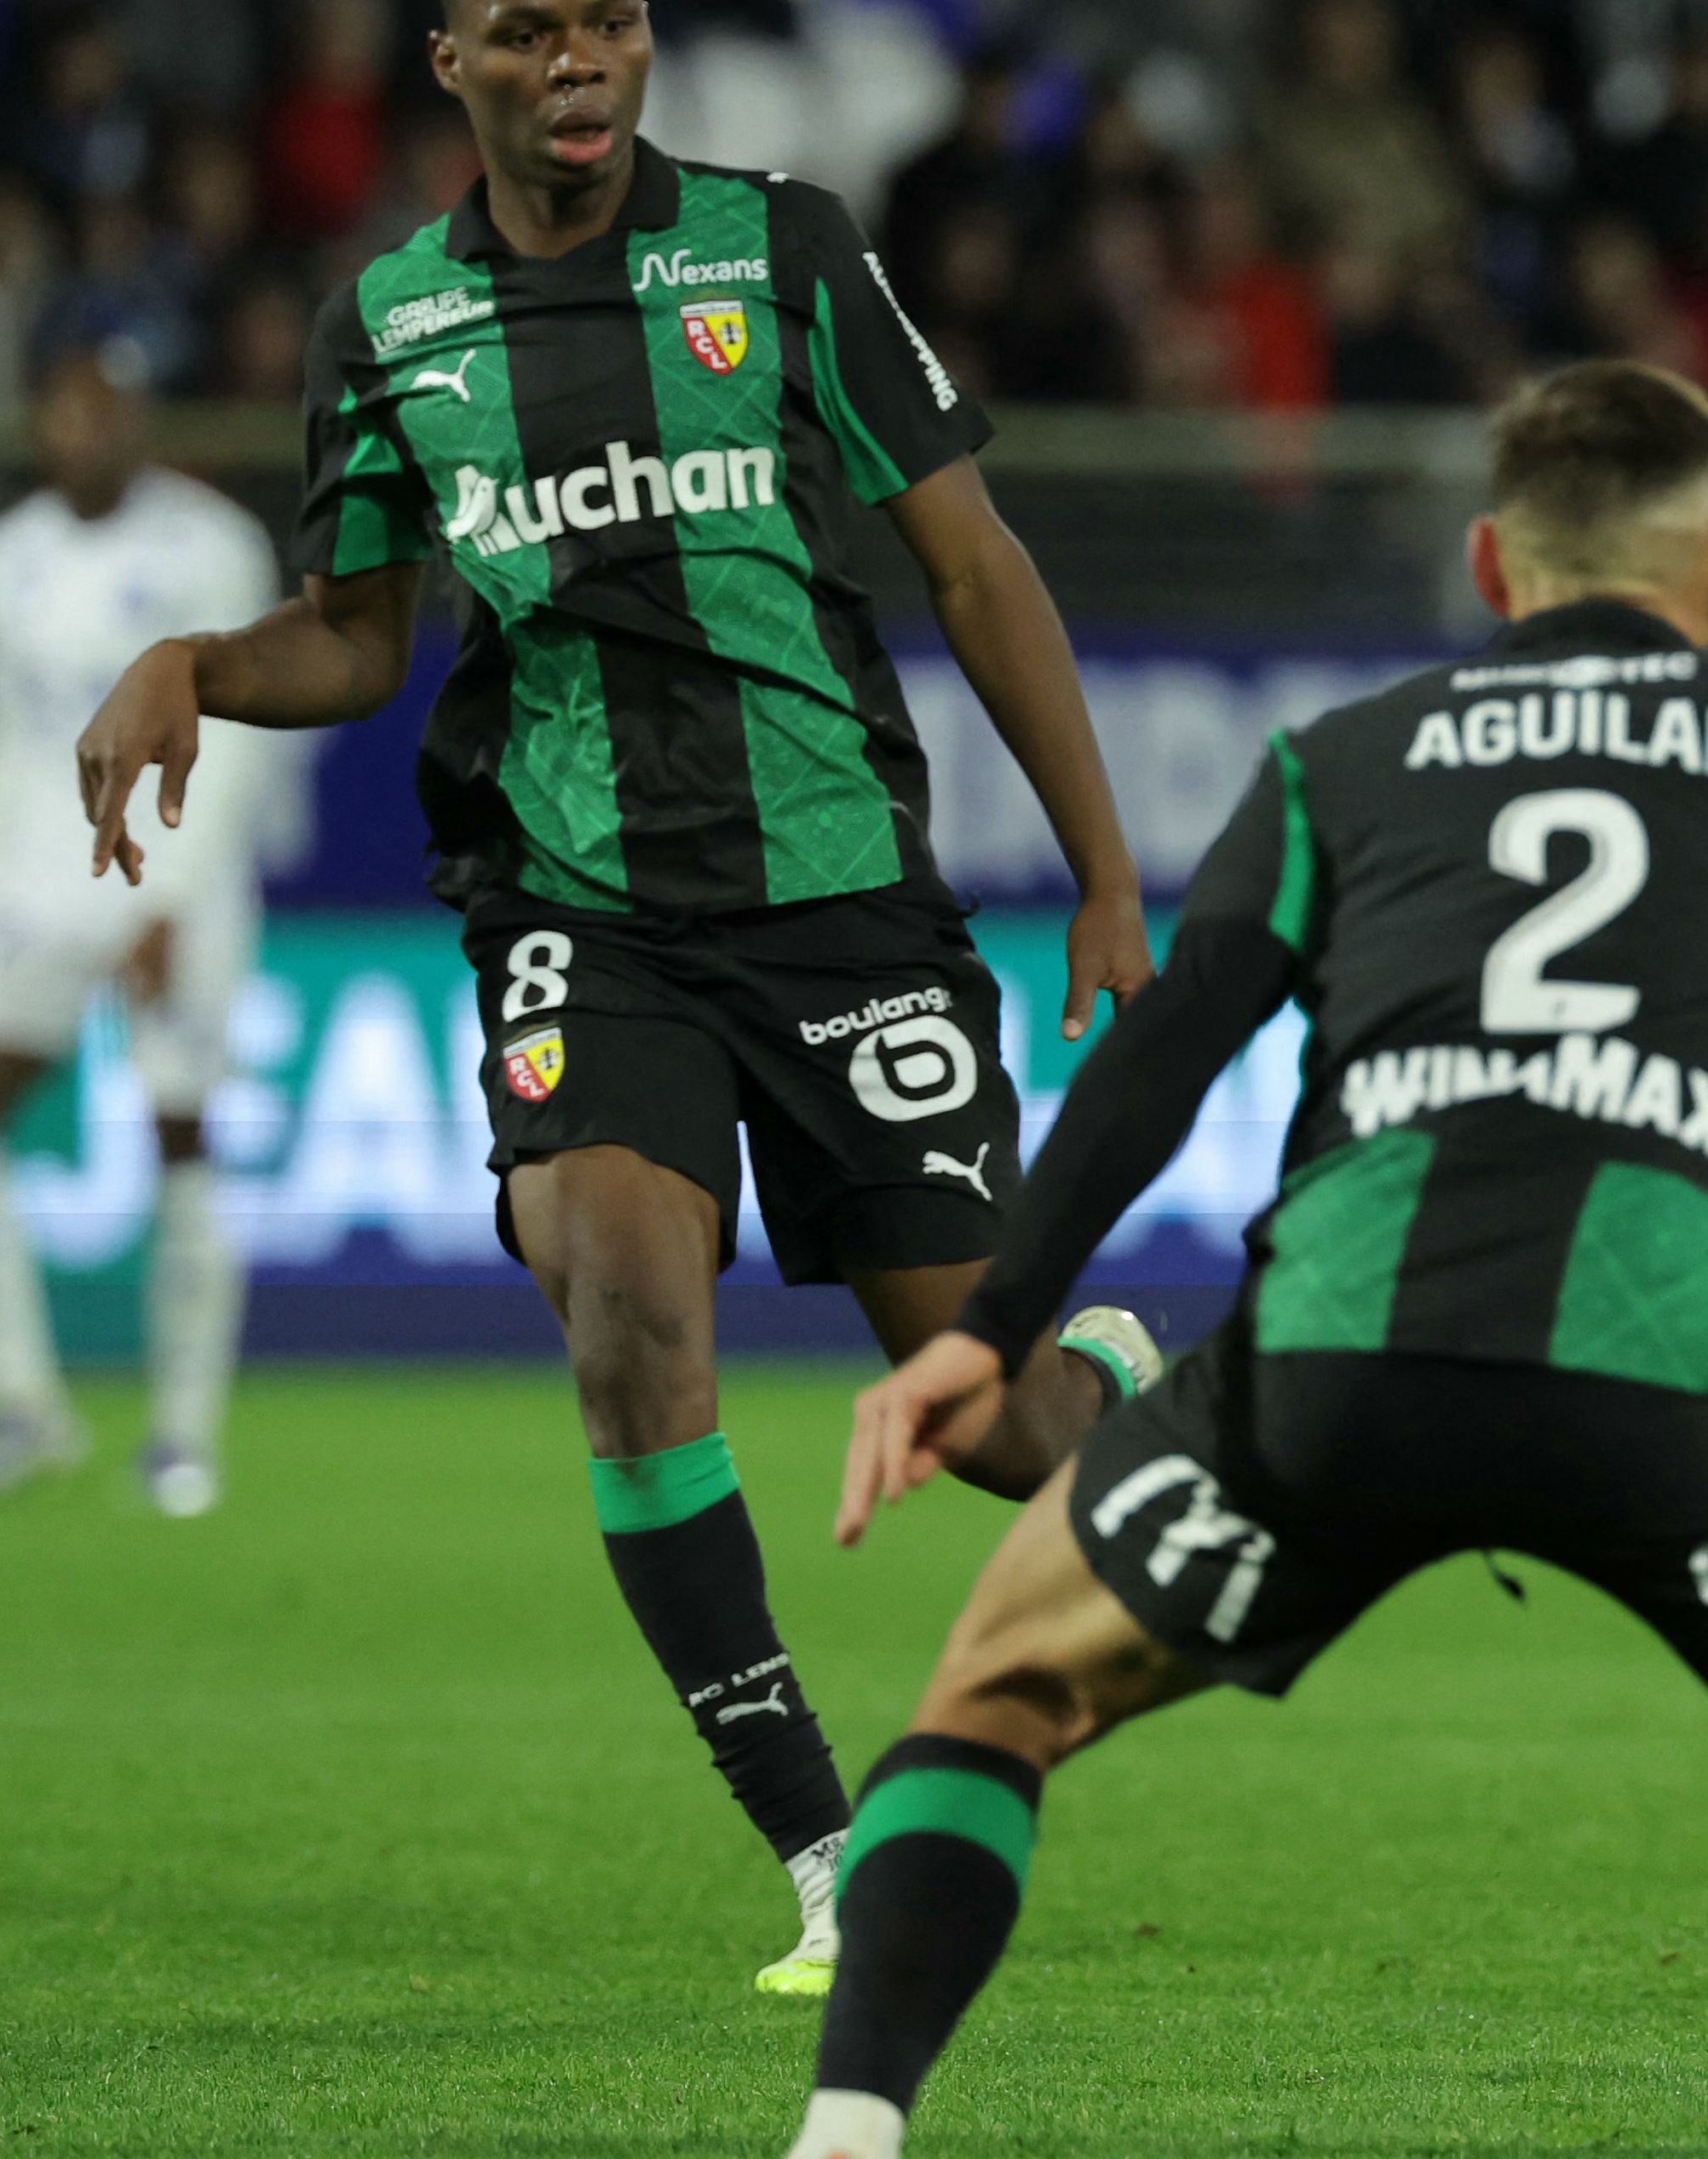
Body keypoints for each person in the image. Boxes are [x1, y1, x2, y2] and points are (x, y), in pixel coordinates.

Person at [780, 361, 1708, 2159]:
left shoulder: (1339, 762)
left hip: (1336, 1372)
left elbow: (1160, 1060)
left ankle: (847, 2132)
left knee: (994, 1698)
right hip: (1687, 1386)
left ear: (1495, 569)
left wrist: (991, 1330)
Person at [73, 0, 1151, 2000]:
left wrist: (1102, 873)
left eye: (612, 23)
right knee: (631, 1309)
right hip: (577, 900)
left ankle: (1111, 1381)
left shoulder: (783, 247)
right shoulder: (390, 322)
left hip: (836, 898)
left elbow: (974, 565)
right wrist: (193, 666)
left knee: (998, 1421)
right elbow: (356, 634)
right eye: (528, 32)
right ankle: (827, 1850)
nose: (579, 62)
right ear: (451, 63)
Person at [0, 337, 289, 1516]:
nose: (88, 432)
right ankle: (25, 1409)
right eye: (69, 410)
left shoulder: (212, 546)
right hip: (36, 881)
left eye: (111, 411)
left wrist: (172, 898)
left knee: (179, 1131)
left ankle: (183, 1436)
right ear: (43, 421)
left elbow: (235, 735)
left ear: (141, 421)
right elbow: (4, 748)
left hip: (174, 875)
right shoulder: (3, 559)